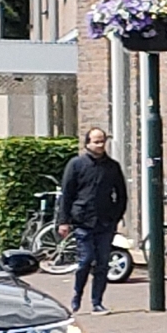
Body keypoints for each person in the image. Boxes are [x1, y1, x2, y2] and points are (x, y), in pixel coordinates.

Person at [58, 126, 128, 313]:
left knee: (103, 263)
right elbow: (67, 194)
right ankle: (77, 294)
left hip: (105, 222)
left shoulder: (112, 167)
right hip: (83, 220)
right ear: (87, 143)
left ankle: (97, 301)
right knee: (86, 260)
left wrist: (116, 217)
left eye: (102, 141)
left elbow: (121, 195)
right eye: (96, 141)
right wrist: (63, 221)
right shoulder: (76, 164)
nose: (99, 145)